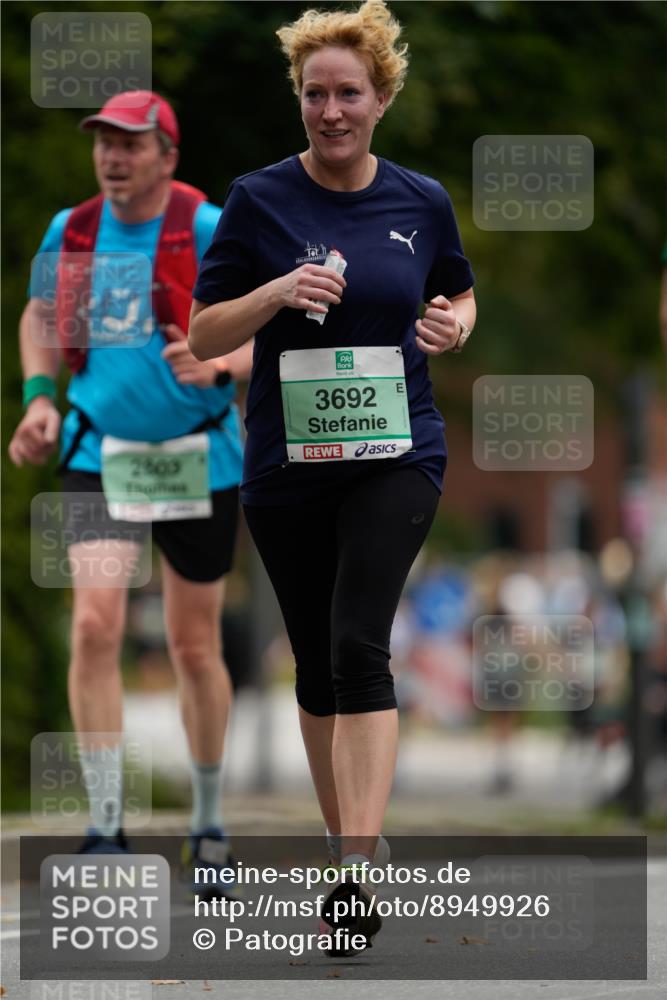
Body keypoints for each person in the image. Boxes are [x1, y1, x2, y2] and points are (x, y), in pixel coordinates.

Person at [189, 0, 476, 950]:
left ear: (381, 98)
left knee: (359, 643)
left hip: (396, 449)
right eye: (315, 94)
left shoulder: (420, 201)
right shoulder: (257, 199)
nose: (330, 111)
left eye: (348, 92)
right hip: (286, 460)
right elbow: (203, 332)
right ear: (300, 102)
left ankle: (352, 875)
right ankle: (345, 836)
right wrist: (273, 291)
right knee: (314, 663)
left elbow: (456, 289)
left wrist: (453, 324)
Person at [8, 91, 251, 894]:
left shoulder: (211, 226)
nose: (113, 157)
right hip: (100, 453)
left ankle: (208, 821)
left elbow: (266, 329)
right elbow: (41, 316)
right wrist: (39, 399)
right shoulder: (72, 230)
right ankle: (105, 825)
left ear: (167, 156)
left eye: (131, 144)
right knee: (93, 623)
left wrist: (219, 366)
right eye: (103, 144)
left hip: (199, 455)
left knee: (191, 645)